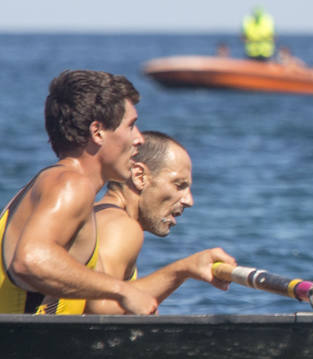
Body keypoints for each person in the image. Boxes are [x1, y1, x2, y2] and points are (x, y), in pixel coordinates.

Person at [2, 72, 185, 315]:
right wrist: (121, 290)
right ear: (97, 132)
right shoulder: (70, 184)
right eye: (131, 126)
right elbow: (30, 261)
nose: (139, 139)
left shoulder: (49, 182)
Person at [85, 131, 235, 314]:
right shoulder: (121, 227)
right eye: (179, 185)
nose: (189, 201)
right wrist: (184, 269)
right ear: (139, 176)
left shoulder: (98, 216)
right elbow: (101, 308)